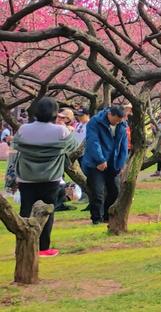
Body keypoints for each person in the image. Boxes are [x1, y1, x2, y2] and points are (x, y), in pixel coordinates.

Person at [12, 97, 83, 256]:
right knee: (48, 211)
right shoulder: (61, 131)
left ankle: (23, 245)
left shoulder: (24, 129)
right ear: (55, 114)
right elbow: (72, 146)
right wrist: (68, 130)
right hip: (51, 177)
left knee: (25, 210)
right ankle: (44, 248)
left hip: (26, 177)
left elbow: (15, 144)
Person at [81, 103, 130, 225]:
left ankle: (108, 216)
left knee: (115, 191)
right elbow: (93, 141)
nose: (117, 123)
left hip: (113, 163)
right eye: (116, 120)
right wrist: (100, 160)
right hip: (95, 164)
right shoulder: (95, 122)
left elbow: (123, 146)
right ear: (110, 114)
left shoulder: (122, 125)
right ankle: (96, 219)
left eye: (120, 121)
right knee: (98, 192)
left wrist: (122, 163)